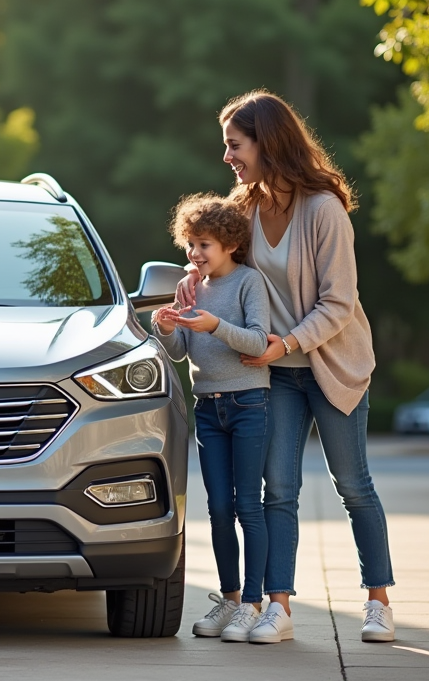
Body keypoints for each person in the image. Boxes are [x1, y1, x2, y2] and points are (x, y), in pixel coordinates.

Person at [178, 90, 396, 644]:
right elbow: (224, 269)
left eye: (235, 144)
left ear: (266, 142)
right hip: (273, 371)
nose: (227, 155)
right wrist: (195, 280)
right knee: (278, 488)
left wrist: (287, 343)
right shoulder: (244, 209)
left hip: (332, 363)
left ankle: (377, 600)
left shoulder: (323, 209)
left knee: (353, 484)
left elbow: (340, 301)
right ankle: (279, 606)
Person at [152, 194, 271, 643]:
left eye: (204, 245)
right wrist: (166, 327)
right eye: (190, 244)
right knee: (218, 509)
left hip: (248, 404)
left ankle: (254, 605)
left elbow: (259, 343)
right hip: (209, 406)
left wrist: (213, 326)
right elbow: (181, 353)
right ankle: (230, 599)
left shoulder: (247, 283)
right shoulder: (189, 288)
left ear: (229, 244)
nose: (195, 254)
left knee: (247, 506)